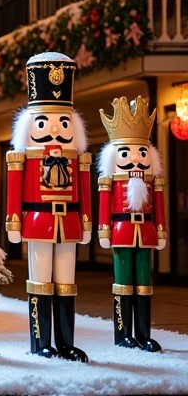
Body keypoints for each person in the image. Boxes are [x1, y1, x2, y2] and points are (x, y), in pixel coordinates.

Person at [7, 53, 91, 360]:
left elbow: (84, 191)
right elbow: (15, 188)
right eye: (44, 122)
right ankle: (40, 341)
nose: (54, 128)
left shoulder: (76, 158)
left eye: (63, 122)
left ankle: (66, 342)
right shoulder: (24, 157)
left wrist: (86, 222)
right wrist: (14, 221)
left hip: (68, 222)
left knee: (67, 283)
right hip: (38, 221)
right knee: (40, 281)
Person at [97, 95, 167, 352]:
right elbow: (105, 204)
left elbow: (158, 205)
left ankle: (144, 334)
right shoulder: (111, 180)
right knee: (123, 282)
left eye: (141, 152)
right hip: (121, 230)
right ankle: (123, 333)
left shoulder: (151, 180)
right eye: (127, 153)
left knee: (144, 284)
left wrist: (161, 231)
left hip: (146, 231)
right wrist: (104, 229)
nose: (135, 158)